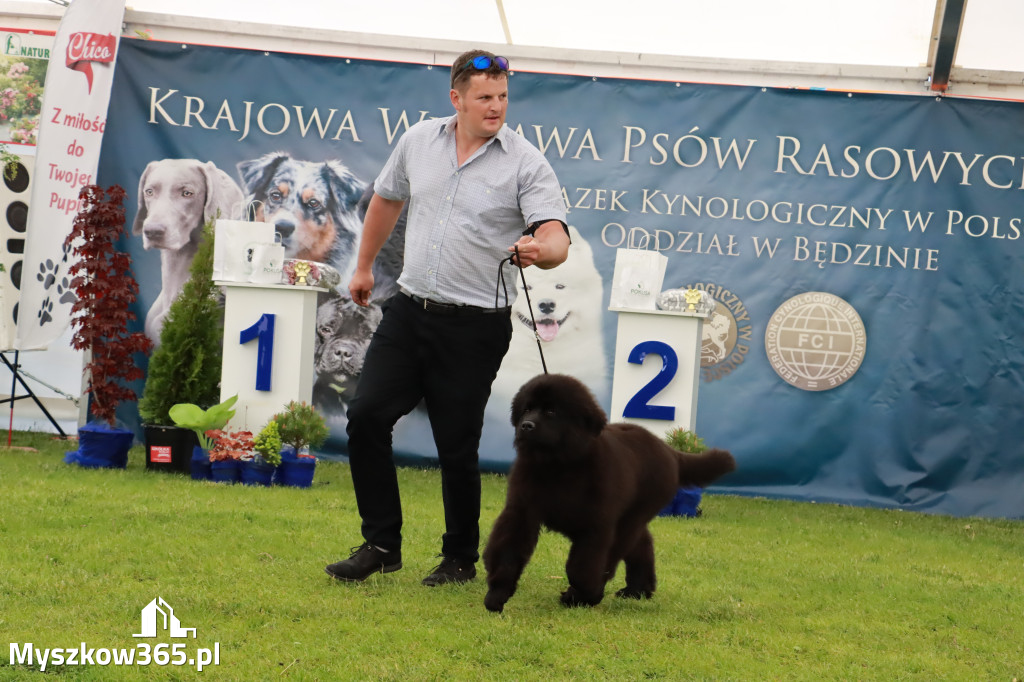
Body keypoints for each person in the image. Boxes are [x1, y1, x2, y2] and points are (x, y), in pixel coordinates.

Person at [325, 50, 570, 586]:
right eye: (484, 97)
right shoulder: (417, 142)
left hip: (476, 324)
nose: (496, 107)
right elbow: (386, 201)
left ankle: (459, 556)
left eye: (503, 97)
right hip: (409, 310)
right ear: (455, 98)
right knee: (366, 416)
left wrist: (542, 250)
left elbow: (556, 234)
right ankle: (381, 543)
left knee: (455, 443)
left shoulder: (526, 162)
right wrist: (363, 266)